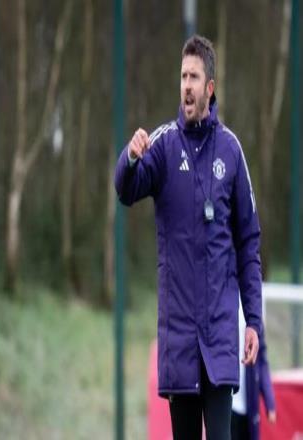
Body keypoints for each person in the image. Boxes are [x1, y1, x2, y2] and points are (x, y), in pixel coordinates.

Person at [114, 35, 262, 439]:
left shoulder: (231, 151)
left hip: (220, 338)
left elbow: (249, 242)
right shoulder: (163, 145)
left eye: (194, 77)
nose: (187, 86)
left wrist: (253, 321)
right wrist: (130, 158)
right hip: (178, 341)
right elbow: (126, 190)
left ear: (209, 87)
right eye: (183, 77)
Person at [231, 303, 276, 440]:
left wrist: (269, 401)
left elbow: (261, 361)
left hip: (249, 404)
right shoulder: (223, 308)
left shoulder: (254, 314)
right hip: (226, 400)